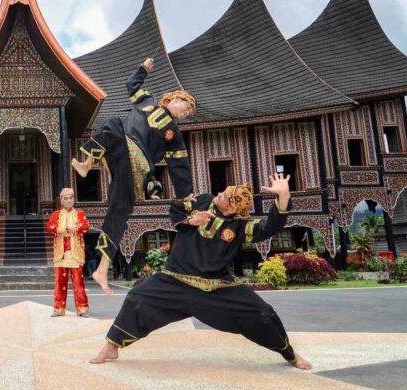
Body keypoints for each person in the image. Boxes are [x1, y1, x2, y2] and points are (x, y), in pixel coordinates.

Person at [89, 173, 313, 370]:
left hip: (216, 286)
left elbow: (269, 227)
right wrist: (189, 220)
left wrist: (283, 197)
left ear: (232, 209)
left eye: (224, 196)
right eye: (223, 192)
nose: (219, 194)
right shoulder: (203, 200)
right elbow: (176, 206)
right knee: (136, 298)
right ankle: (111, 346)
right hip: (175, 279)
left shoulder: (239, 227)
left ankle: (289, 353)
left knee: (263, 314)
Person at [72, 57, 196, 296]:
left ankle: (102, 269)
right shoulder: (147, 101)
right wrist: (143, 69)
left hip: (136, 168)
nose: (186, 112)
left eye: (189, 112)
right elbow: (132, 85)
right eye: (186, 105)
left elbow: (179, 167)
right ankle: (87, 164)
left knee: (117, 213)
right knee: (113, 122)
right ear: (173, 98)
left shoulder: (173, 134)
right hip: (121, 149)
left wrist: (187, 199)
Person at [46, 188, 90, 317]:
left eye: (71, 198)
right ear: (61, 200)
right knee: (59, 283)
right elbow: (49, 227)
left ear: (74, 199)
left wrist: (75, 228)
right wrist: (63, 229)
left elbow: (85, 226)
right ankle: (58, 309)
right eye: (66, 198)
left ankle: (82, 309)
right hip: (60, 253)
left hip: (75, 253)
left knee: (78, 282)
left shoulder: (80, 214)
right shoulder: (56, 214)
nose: (69, 200)